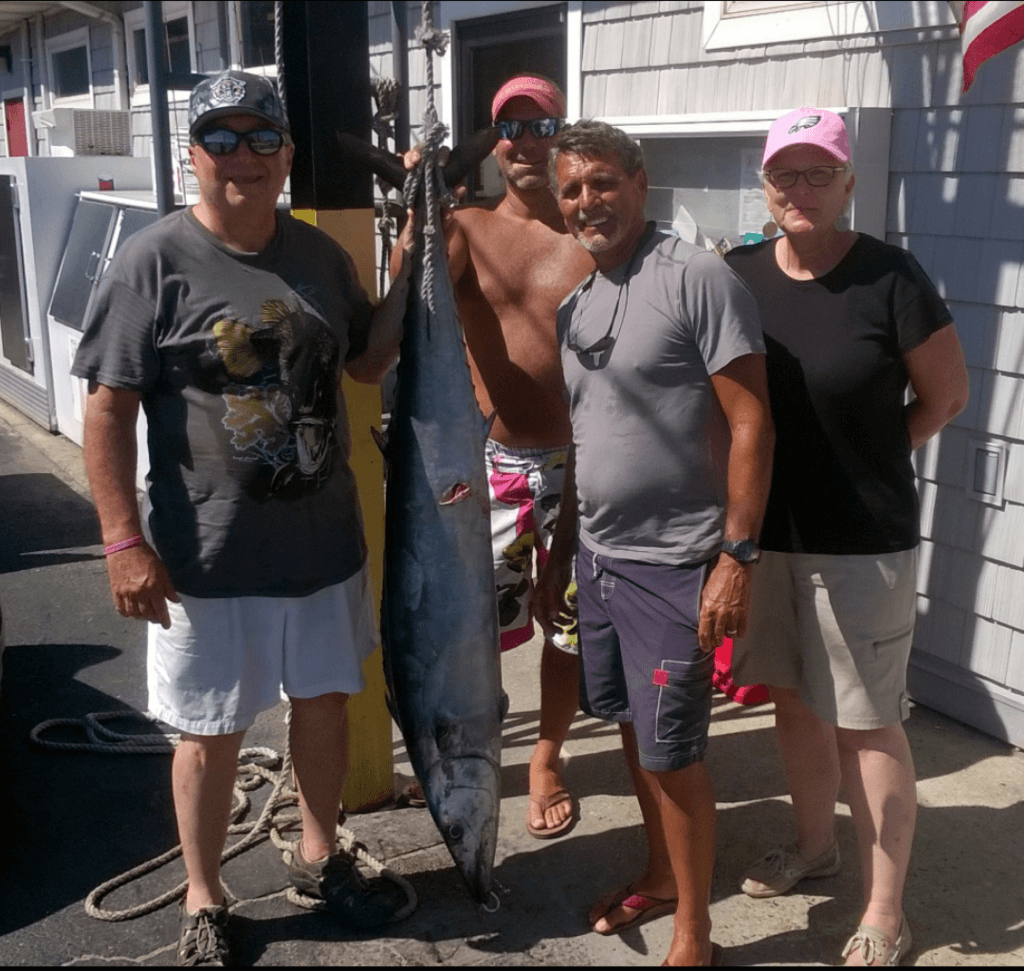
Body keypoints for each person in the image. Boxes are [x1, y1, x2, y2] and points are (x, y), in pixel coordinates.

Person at [71, 70, 414, 967]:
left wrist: (416, 254)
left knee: (325, 705)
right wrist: (120, 541)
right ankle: (205, 895)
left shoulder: (318, 256)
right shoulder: (153, 260)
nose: (243, 157)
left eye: (261, 138)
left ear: (287, 154)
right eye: (220, 138)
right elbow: (106, 411)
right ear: (191, 153)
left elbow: (370, 364)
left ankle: (318, 853)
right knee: (209, 731)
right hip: (204, 559)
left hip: (324, 546)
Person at [725, 107, 969, 966]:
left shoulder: (891, 277)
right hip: (767, 535)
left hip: (864, 539)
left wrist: (871, 453)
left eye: (818, 172)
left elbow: (945, 398)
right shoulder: (739, 274)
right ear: (765, 184)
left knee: (867, 722)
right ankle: (815, 846)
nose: (801, 189)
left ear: (848, 182)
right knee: (793, 700)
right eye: (786, 174)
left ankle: (883, 906)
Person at [539, 120, 775, 967]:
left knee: (674, 754)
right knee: (637, 734)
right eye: (571, 189)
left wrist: (735, 558)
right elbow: (586, 440)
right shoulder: (577, 302)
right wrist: (561, 556)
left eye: (602, 182)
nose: (587, 202)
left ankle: (694, 936)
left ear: (640, 180)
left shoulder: (696, 276)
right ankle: (662, 873)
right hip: (600, 562)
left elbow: (751, 422)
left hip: (679, 565)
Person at [397, 75, 595, 838]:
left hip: (582, 465)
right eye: (511, 126)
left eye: (544, 125)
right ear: (494, 138)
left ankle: (546, 753)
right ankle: (469, 748)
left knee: (567, 623)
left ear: (562, 136)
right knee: (468, 624)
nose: (526, 140)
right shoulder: (468, 228)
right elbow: (405, 300)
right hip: (496, 464)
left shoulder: (592, 233)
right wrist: (419, 205)